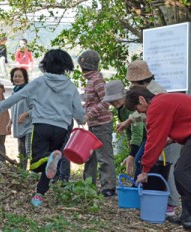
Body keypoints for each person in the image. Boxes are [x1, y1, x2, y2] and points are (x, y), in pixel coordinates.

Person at [0, 49, 85, 207]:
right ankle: (39, 194)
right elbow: (78, 111)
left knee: (37, 161)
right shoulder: (70, 86)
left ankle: (48, 160)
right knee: (51, 162)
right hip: (61, 129)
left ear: (45, 64)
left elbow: (16, 97)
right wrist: (82, 120)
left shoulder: (40, 82)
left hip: (41, 126)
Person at [125, 86, 191, 230]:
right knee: (181, 171)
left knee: (181, 172)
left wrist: (145, 170)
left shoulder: (156, 107)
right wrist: (171, 140)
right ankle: (187, 216)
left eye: (137, 107)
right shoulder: (162, 101)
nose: (139, 112)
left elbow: (153, 140)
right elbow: (184, 121)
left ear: (142, 99)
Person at [117, 60, 180, 216]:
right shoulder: (147, 90)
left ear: (139, 81)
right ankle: (158, 198)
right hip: (160, 134)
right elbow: (143, 113)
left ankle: (172, 203)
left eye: (132, 82)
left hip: (169, 135)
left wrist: (129, 120)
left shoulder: (156, 92)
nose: (131, 84)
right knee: (157, 166)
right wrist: (129, 121)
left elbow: (147, 112)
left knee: (168, 168)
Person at [77, 49, 116, 197]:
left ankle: (109, 187)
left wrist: (89, 114)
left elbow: (106, 101)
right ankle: (88, 184)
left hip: (101, 124)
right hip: (93, 124)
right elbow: (91, 102)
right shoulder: (90, 80)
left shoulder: (97, 80)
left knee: (104, 156)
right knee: (89, 155)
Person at [102, 80, 144, 175]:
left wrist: (132, 155)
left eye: (117, 98)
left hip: (147, 136)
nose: (115, 102)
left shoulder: (131, 107)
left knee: (138, 160)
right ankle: (138, 186)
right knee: (138, 161)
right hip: (139, 139)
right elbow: (128, 130)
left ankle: (140, 187)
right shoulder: (120, 109)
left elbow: (137, 132)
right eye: (112, 100)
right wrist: (130, 145)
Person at [7, 67, 32, 170]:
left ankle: (34, 174)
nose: (17, 78)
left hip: (29, 126)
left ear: (25, 78)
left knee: (29, 151)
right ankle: (22, 173)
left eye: (20, 76)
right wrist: (10, 122)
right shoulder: (14, 92)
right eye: (15, 76)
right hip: (19, 127)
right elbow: (13, 109)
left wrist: (26, 114)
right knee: (21, 151)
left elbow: (37, 108)